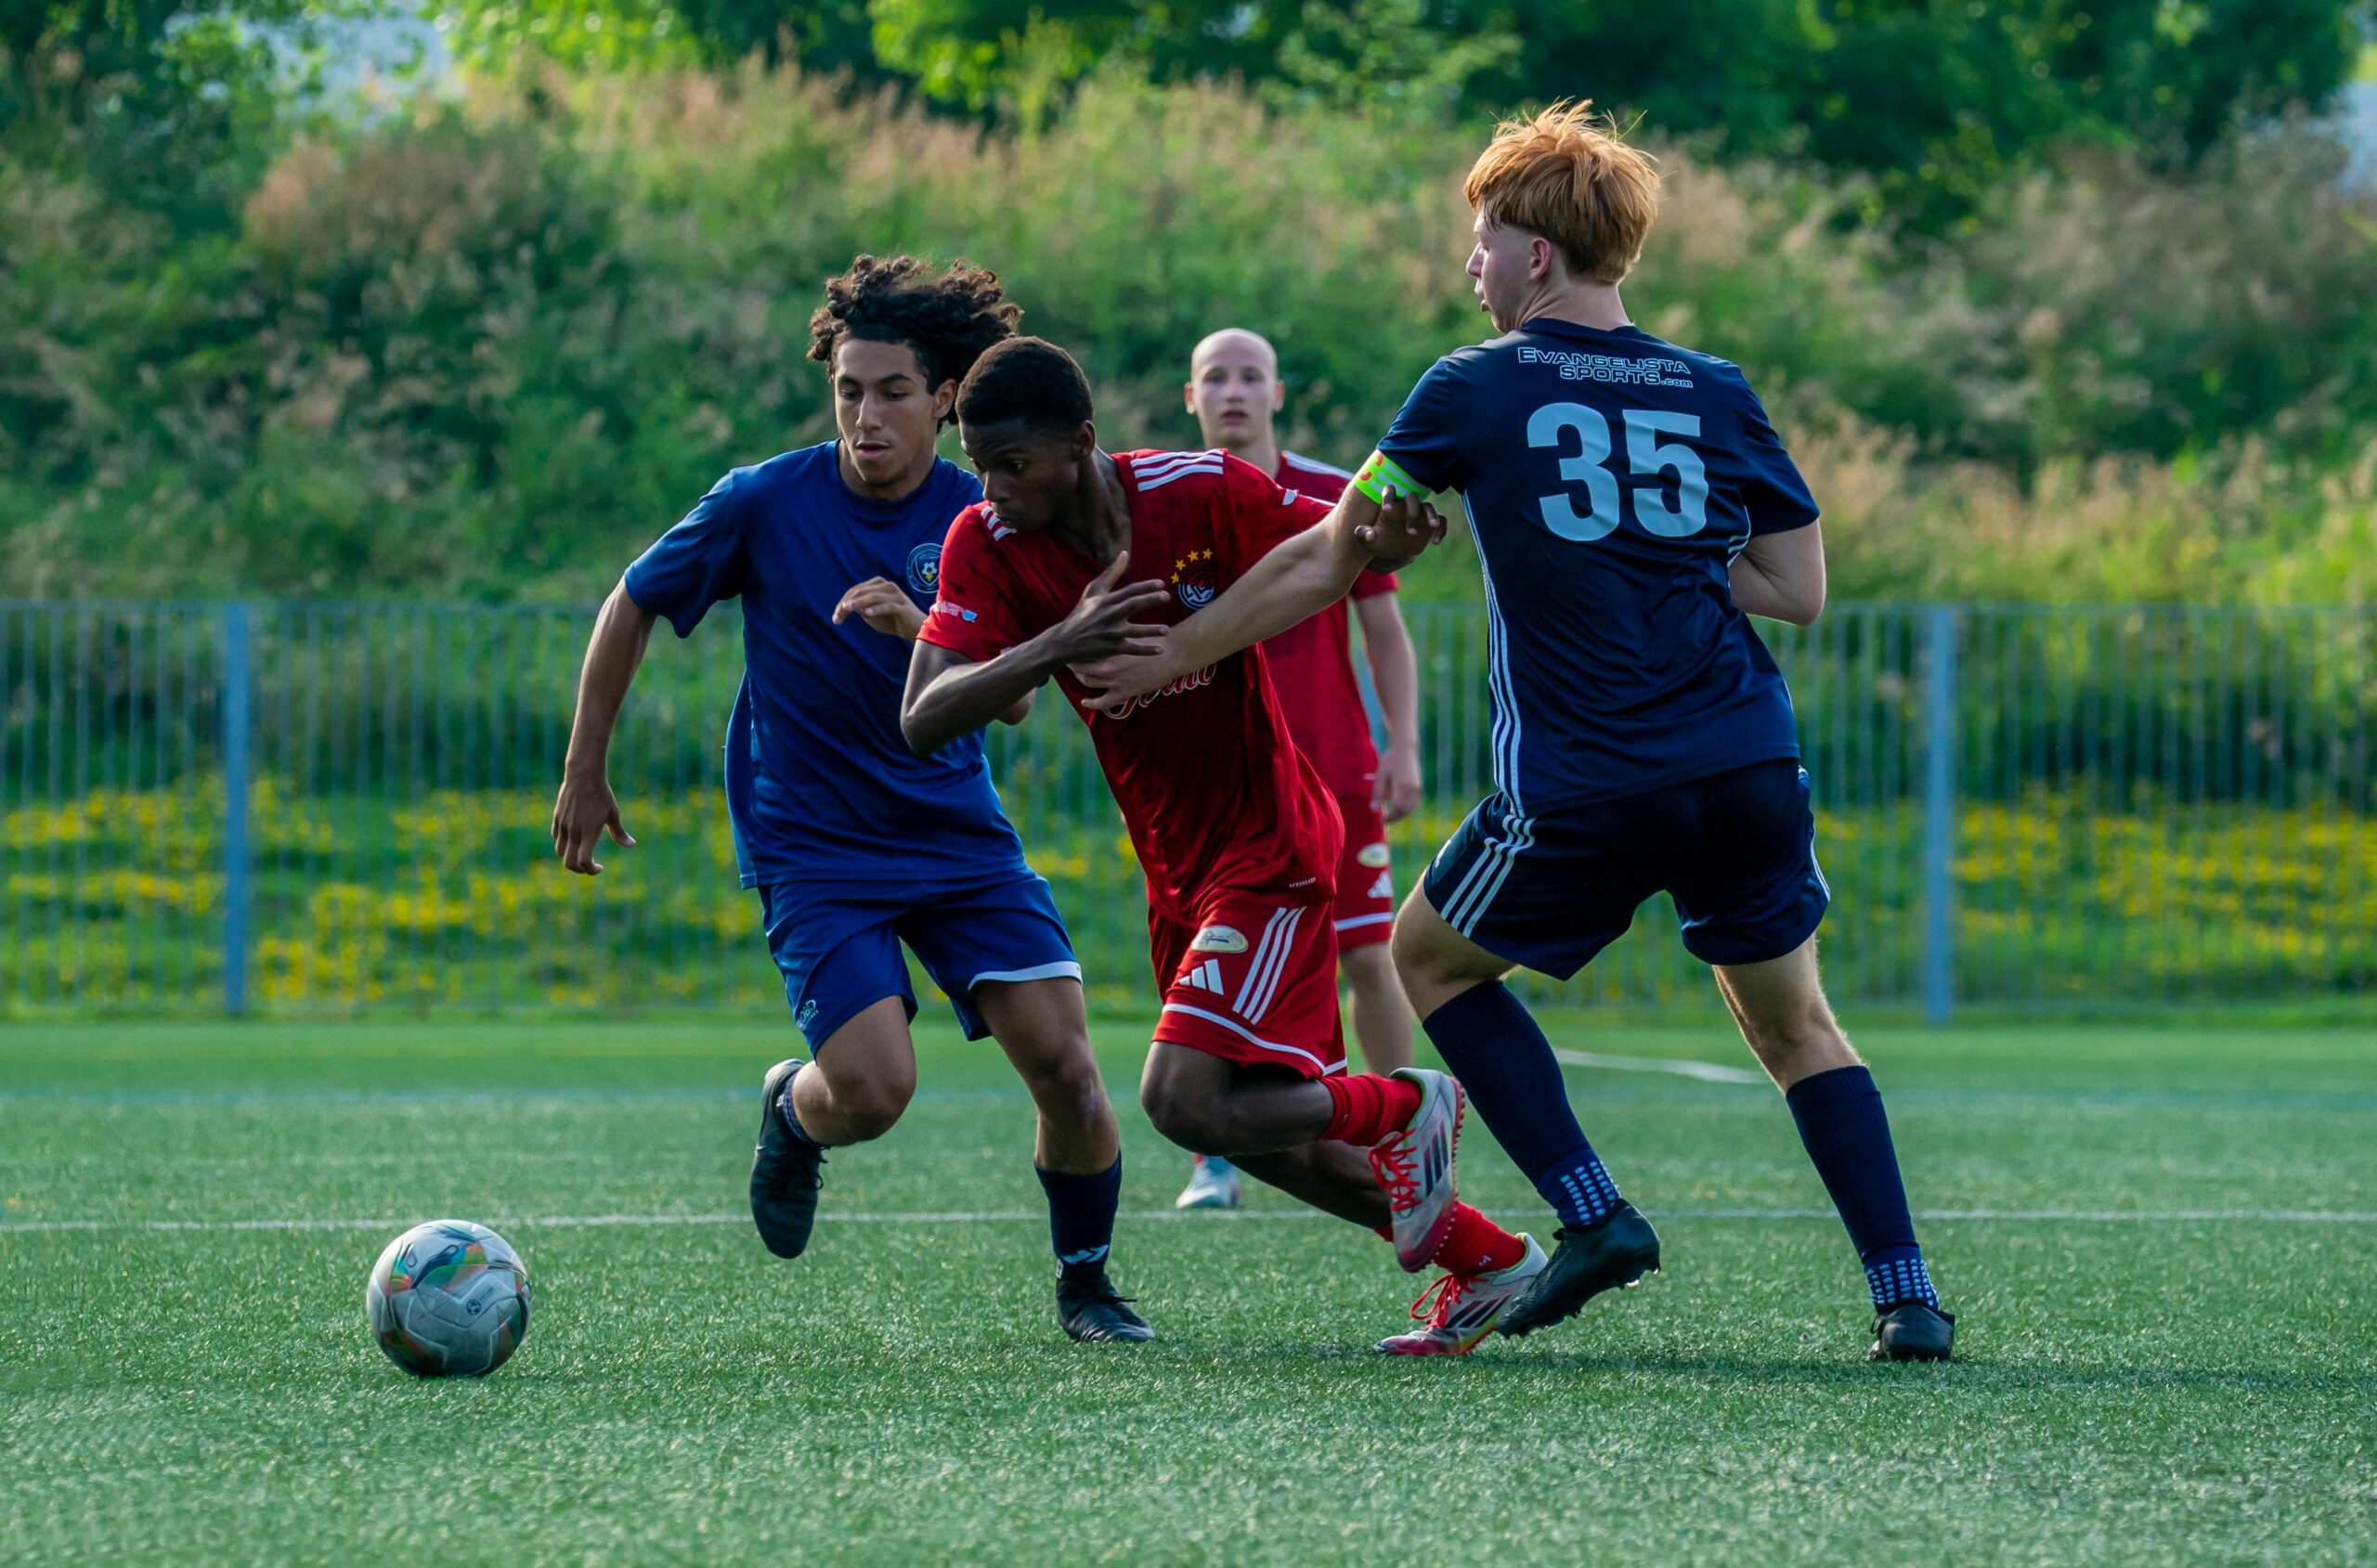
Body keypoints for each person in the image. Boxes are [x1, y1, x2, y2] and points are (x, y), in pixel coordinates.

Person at [1075, 104, 1957, 1363]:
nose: (1470, 267)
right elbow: (1796, 587)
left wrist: (1179, 651)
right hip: (1748, 759)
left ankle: (1594, 1217)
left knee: (1428, 965)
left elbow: (1330, 555)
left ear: (1535, 253)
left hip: (1589, 776)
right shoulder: (1716, 388)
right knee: (1799, 1027)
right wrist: (1652, 568)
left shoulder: (1474, 386)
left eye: (1482, 240)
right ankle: (1907, 1295)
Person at [901, 334, 1549, 1355]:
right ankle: (1492, 1262)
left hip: (1272, 846)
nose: (992, 486)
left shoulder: (1198, 491)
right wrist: (1054, 644)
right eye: (977, 461)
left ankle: (1403, 1102)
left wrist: (1391, 534)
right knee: (1268, 1132)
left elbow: (1340, 540)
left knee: (1180, 1098)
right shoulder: (986, 542)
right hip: (1178, 872)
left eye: (1012, 462)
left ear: (1081, 443)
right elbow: (923, 714)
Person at [551, 255, 1152, 1344]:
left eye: (891, 393)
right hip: (814, 844)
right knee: (871, 1093)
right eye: (848, 392)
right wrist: (585, 766)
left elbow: (1009, 707)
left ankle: (1088, 1284)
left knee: (1068, 1068)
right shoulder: (763, 501)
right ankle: (794, 1107)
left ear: (944, 400)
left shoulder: (987, 512)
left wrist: (915, 629)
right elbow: (631, 601)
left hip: (955, 835)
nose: (865, 416)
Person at [1172, 328, 1422, 1212]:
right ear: (1191, 397)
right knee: (1209, 963)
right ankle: (1217, 1156)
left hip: (1333, 773)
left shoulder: (1333, 495)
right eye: (1216, 377)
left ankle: (1406, 1141)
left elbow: (1384, 631)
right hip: (1218, 791)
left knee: (1366, 953)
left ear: (1277, 395)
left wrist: (1404, 746)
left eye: (1250, 376)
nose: (1233, 391)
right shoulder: (1172, 506)